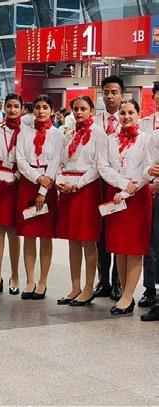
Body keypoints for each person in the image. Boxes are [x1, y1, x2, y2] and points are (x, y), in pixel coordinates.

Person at [97, 99, 151, 315]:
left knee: (134, 248)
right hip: (115, 195)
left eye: (131, 112)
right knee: (119, 246)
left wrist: (129, 189)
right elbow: (103, 166)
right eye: (123, 113)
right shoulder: (110, 139)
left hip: (137, 196)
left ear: (139, 114)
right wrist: (121, 185)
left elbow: (147, 168)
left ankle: (128, 296)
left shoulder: (146, 139)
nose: (126, 116)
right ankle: (124, 295)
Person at [54, 96, 102, 306]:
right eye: (76, 109)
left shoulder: (98, 133)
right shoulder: (69, 134)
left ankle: (89, 288)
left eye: (83, 108)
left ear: (92, 110)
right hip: (67, 189)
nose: (79, 112)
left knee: (87, 239)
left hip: (87, 189)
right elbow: (61, 162)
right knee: (72, 240)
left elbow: (97, 165)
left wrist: (78, 184)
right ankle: (75, 286)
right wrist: (59, 180)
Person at [15, 95, 64, 300]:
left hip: (48, 184)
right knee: (28, 234)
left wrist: (43, 190)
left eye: (45, 107)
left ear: (51, 110)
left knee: (45, 235)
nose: (41, 111)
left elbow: (55, 162)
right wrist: (36, 178)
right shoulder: (24, 133)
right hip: (28, 183)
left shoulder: (57, 135)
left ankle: (43, 281)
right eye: (37, 107)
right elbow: (20, 160)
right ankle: (30, 280)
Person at [0, 94, 23, 296]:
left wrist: (17, 175)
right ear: (4, 108)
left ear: (21, 109)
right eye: (9, 106)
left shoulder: (26, 131)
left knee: (14, 232)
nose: (12, 110)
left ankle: (15, 275)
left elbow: (26, 157)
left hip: (17, 182)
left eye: (16, 106)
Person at [94, 75, 124, 301]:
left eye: (114, 92)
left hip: (120, 183)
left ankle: (118, 282)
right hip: (97, 183)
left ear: (122, 95)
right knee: (100, 233)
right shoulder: (94, 121)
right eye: (106, 92)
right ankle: (103, 280)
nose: (110, 96)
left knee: (119, 231)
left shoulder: (128, 119)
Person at [138, 83, 159, 310]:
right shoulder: (145, 125)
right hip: (150, 191)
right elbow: (143, 162)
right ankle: (149, 289)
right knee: (151, 242)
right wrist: (149, 174)